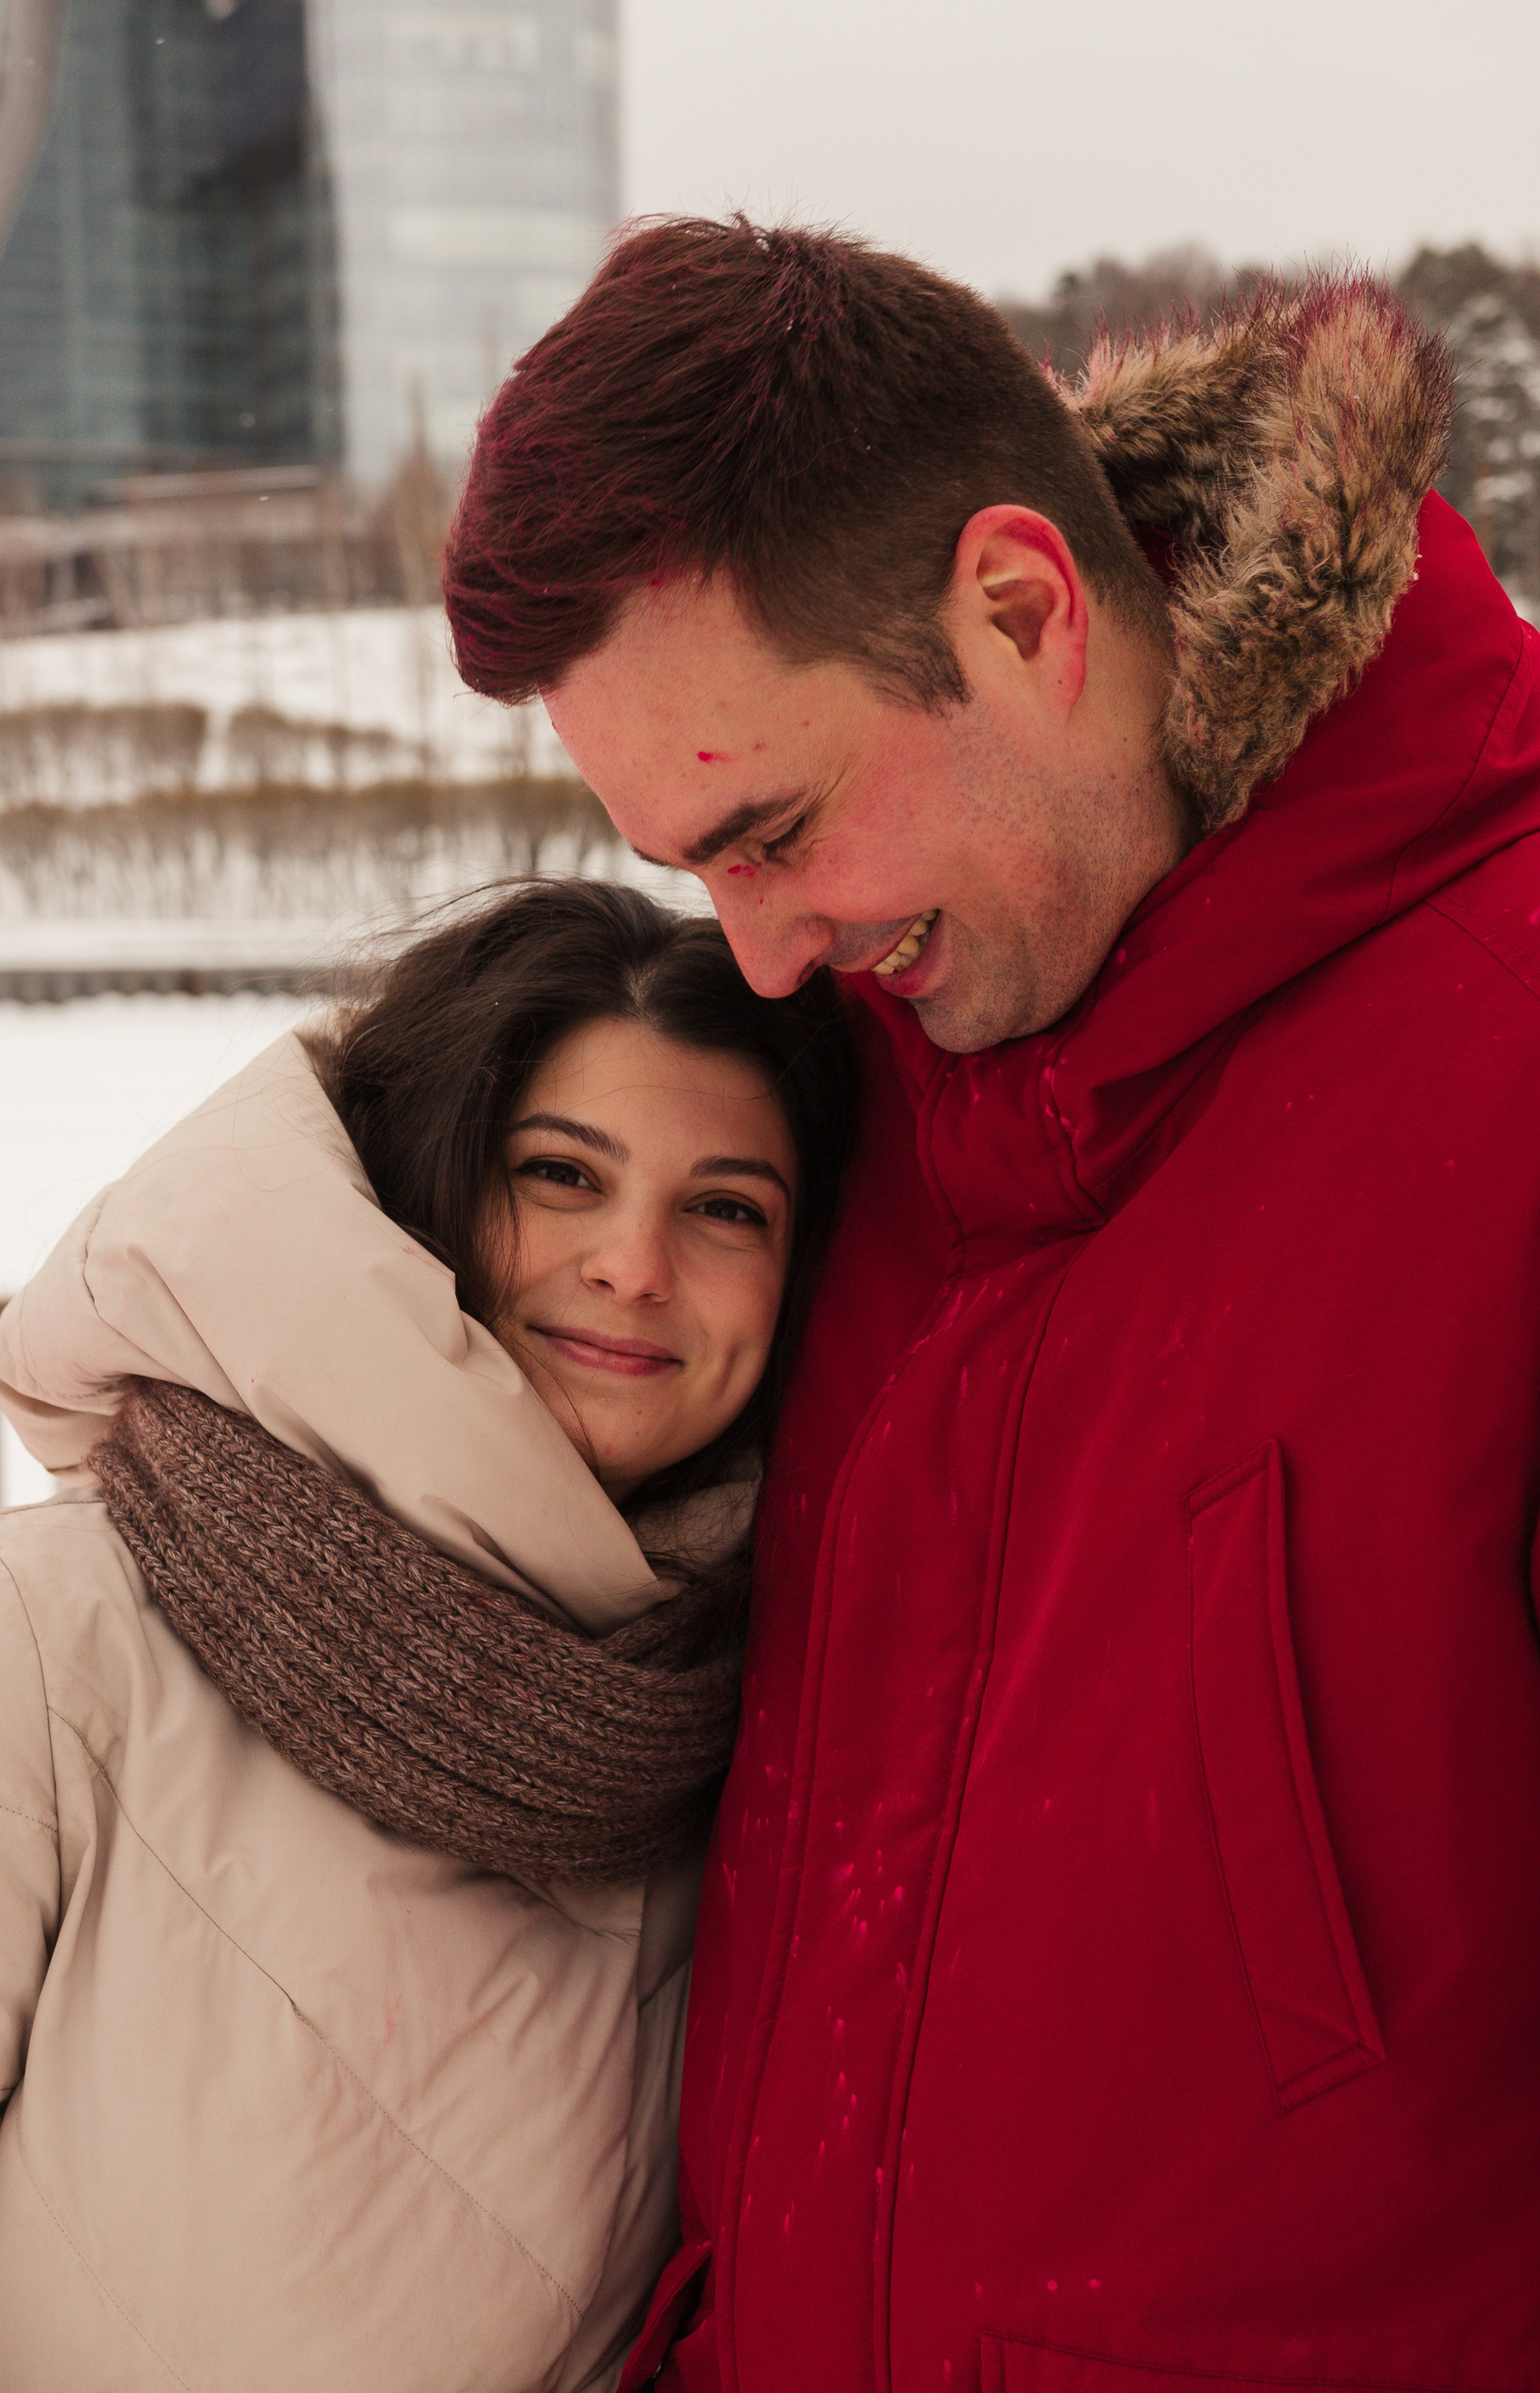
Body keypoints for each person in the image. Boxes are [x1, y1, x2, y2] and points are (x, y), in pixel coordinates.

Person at [437, 223, 1540, 2387]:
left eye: (779, 829)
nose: (753, 953)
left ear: (1021, 612)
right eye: (692, 869)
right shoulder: (832, 1109)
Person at [0, 879, 853, 2393]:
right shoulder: (31, 1648)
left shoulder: (747, 1726)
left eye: (723, 1207)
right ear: (420, 1194)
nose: (635, 1264)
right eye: (560, 1175)